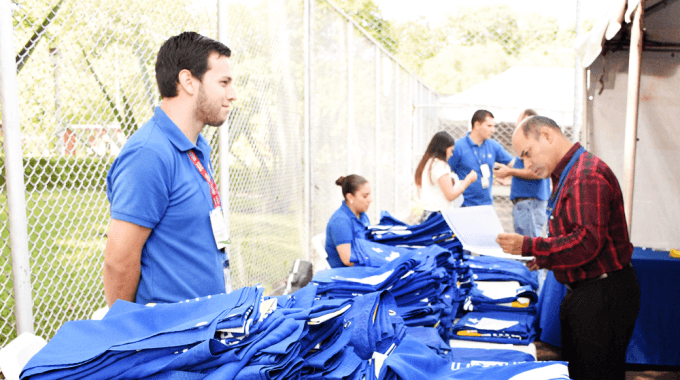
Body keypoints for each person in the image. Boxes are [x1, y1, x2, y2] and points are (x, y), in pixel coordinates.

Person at [496, 116, 640, 380]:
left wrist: (530, 245)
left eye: (527, 154)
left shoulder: (585, 176)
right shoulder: (569, 173)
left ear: (547, 136)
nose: (527, 164)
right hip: (590, 290)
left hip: (602, 294)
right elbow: (574, 237)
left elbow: (586, 242)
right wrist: (546, 259)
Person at [103, 32, 238, 306]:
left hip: (206, 327)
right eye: (223, 82)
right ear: (188, 81)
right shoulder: (149, 154)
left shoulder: (197, 147)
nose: (232, 95)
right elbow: (118, 263)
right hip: (171, 337)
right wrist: (130, 334)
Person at [494, 109, 551, 237]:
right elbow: (527, 172)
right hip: (526, 204)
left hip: (529, 205)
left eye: (519, 121)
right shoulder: (528, 144)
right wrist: (509, 179)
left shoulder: (534, 145)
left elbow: (537, 173)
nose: (516, 125)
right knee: (525, 248)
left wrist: (509, 171)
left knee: (528, 250)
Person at [448, 110, 514, 207]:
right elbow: (445, 173)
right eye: (489, 126)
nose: (493, 130)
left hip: (487, 205)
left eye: (494, 126)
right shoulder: (458, 147)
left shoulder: (493, 146)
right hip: (463, 205)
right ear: (477, 125)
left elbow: (514, 164)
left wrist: (510, 173)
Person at [414, 131, 477, 221]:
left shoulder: (428, 163)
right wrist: (468, 180)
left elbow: (436, 188)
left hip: (428, 213)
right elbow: (450, 195)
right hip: (439, 216)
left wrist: (458, 183)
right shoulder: (440, 165)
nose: (451, 154)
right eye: (451, 150)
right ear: (443, 149)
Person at [325, 175, 372, 268]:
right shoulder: (340, 221)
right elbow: (348, 260)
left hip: (363, 266)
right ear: (350, 197)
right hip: (347, 274)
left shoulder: (362, 215)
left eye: (370, 194)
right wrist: (378, 261)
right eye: (365, 196)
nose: (370, 200)